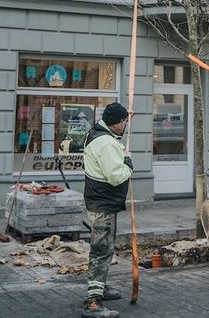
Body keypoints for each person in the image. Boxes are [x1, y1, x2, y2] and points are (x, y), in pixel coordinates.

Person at [81, 102, 133, 318]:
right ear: (116, 122)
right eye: (124, 121)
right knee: (101, 251)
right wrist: (128, 164)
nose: (126, 125)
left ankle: (99, 287)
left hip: (98, 201)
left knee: (103, 249)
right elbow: (115, 176)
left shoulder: (96, 133)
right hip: (103, 204)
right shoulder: (106, 143)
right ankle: (93, 302)